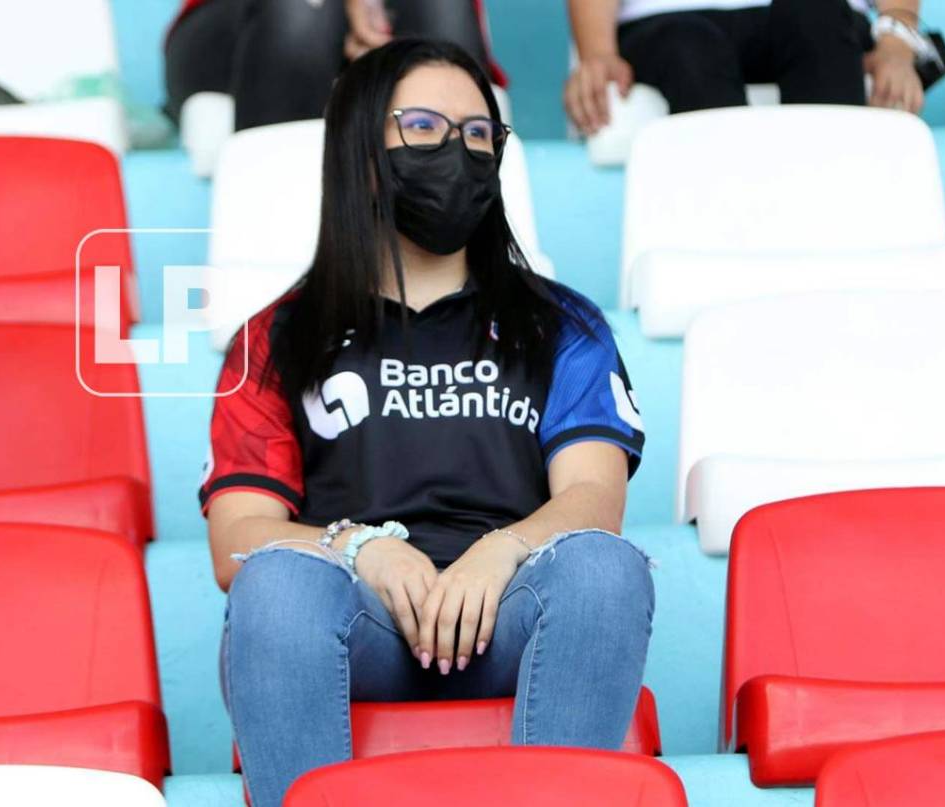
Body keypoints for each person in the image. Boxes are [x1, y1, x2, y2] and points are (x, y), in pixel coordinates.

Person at [199, 38, 654, 807]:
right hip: (358, 618)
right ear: (361, 151)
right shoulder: (274, 338)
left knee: (604, 568)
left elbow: (593, 500)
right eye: (422, 128)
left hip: (510, 611)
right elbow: (237, 536)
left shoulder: (562, 324)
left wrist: (499, 551)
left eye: (478, 133)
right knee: (273, 584)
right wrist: (363, 549)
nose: (456, 151)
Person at [566, 0, 928, 136]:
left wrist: (896, 46)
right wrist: (597, 53)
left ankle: (836, 206)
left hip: (818, 14)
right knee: (689, 47)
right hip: (663, 22)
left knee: (816, 17)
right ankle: (731, 220)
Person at [164, 0, 506, 130]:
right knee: (300, 14)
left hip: (402, 15)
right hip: (236, 27)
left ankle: (448, 235)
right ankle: (280, 230)